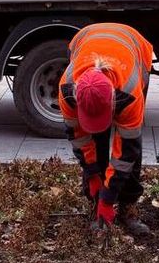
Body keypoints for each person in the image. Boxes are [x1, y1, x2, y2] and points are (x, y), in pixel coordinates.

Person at [58, 23, 152, 237]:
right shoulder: (67, 90)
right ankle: (95, 205)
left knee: (131, 150)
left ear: (114, 101)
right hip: (85, 39)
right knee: (96, 140)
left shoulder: (130, 91)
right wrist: (91, 173)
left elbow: (126, 152)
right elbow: (80, 139)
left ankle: (128, 206)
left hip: (134, 46)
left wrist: (109, 199)